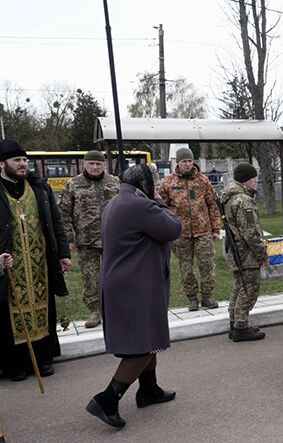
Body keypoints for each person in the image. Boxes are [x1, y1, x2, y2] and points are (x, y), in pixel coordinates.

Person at [86, 165, 182, 428]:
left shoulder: (116, 202)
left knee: (147, 338)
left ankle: (148, 389)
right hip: (134, 285)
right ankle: (107, 399)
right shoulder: (141, 205)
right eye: (154, 184)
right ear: (144, 183)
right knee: (140, 346)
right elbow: (174, 228)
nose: (157, 188)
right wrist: (159, 200)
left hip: (124, 282)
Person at [0, 140, 71, 382]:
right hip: (9, 265)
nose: (22, 164)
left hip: (41, 262)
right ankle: (15, 364)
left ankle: (42, 359)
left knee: (44, 307)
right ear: (2, 164)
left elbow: (55, 221)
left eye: (24, 160)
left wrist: (63, 253)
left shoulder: (39, 187)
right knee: (9, 313)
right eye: (16, 160)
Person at [59, 150, 120, 328]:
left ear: (104, 165)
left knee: (115, 275)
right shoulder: (73, 184)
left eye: (98, 164)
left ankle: (116, 308)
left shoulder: (114, 182)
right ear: (84, 164)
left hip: (113, 239)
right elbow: (64, 213)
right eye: (91, 163)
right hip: (87, 241)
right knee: (90, 277)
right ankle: (95, 310)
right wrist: (69, 238)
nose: (94, 167)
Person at [158, 147, 221, 312]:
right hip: (180, 233)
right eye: (184, 161)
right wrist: (167, 229)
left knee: (207, 265)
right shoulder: (168, 182)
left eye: (189, 161)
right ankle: (192, 298)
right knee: (185, 268)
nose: (187, 164)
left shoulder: (203, 181)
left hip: (203, 230)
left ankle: (207, 296)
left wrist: (216, 228)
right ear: (178, 162)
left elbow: (213, 205)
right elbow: (160, 207)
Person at [219, 163, 267, 342]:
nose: (256, 181)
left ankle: (235, 323)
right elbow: (250, 231)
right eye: (254, 177)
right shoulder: (243, 200)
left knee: (239, 288)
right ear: (247, 179)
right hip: (246, 253)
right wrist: (262, 254)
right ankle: (241, 327)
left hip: (235, 250)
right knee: (249, 290)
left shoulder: (228, 197)